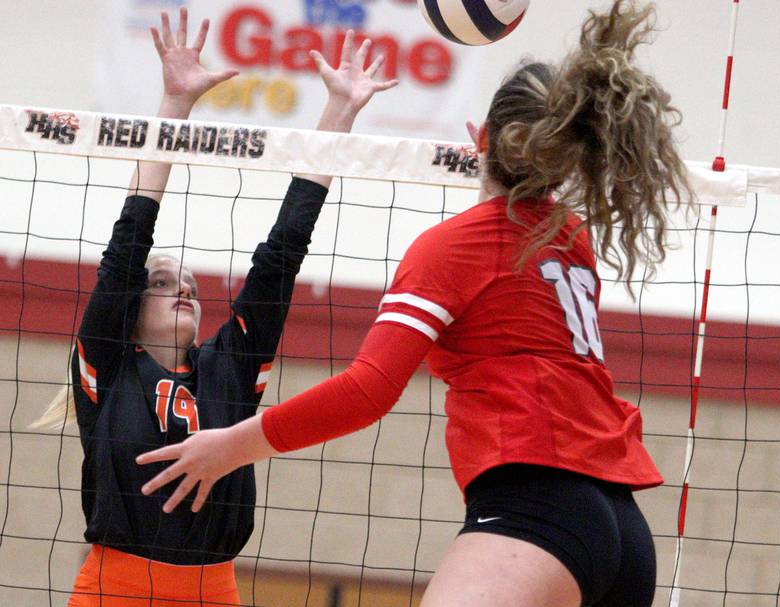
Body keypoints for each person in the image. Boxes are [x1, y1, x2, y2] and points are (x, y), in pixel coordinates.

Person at [137, 2, 691, 606]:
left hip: (538, 512)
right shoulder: (570, 236)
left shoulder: (455, 247)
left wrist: (228, 446)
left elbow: (367, 391)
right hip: (624, 529)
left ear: (480, 140)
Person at [33, 8, 397, 607]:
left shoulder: (228, 368)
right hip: (115, 592)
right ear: (127, 311)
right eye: (161, 284)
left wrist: (339, 115)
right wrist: (173, 107)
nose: (185, 290)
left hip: (215, 592)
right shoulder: (106, 368)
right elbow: (127, 247)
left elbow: (279, 263)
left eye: (191, 287)